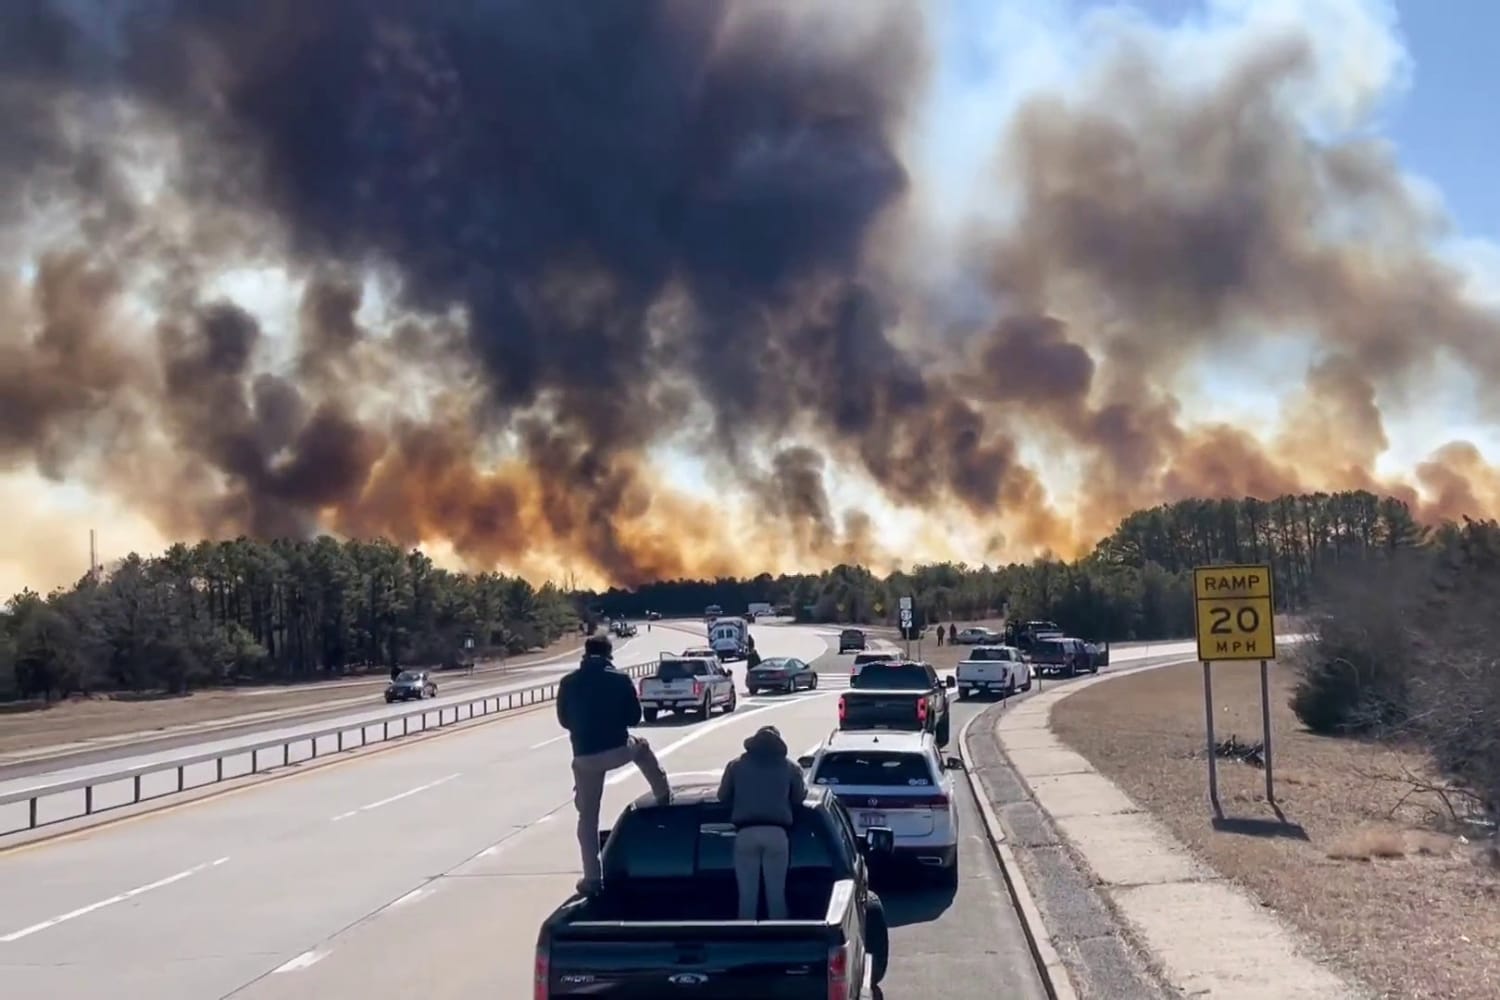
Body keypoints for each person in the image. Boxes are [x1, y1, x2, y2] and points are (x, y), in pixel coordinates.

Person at [557, 634, 671, 895]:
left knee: (587, 819)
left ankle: (592, 880)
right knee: (641, 748)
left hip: (585, 757)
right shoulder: (620, 679)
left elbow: (564, 720)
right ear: (609, 654)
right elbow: (633, 716)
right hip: (619, 749)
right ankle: (662, 793)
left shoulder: (568, 682)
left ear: (585, 654)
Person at [717, 725, 807, 920]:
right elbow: (799, 798)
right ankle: (778, 938)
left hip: (745, 833)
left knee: (747, 897)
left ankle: (747, 939)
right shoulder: (790, 768)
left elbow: (722, 796)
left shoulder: (736, 765)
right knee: (776, 895)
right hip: (777, 833)